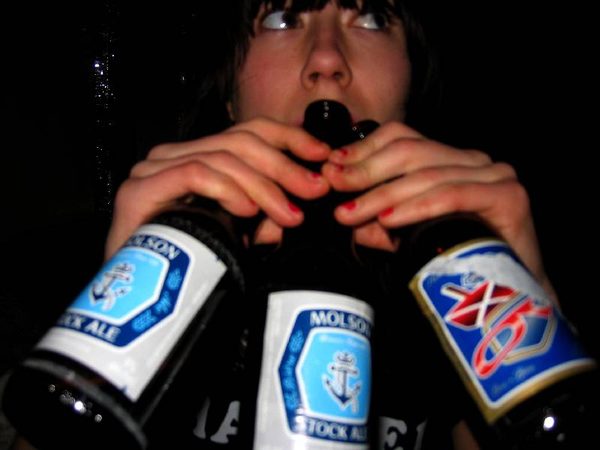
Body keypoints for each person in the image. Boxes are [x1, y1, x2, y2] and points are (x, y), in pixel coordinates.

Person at [8, 0, 557, 449]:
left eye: (371, 17)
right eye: (281, 17)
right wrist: (110, 346)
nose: (326, 59)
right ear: (229, 95)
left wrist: (533, 320)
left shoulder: (446, 277)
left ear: (411, 86)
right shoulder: (127, 247)